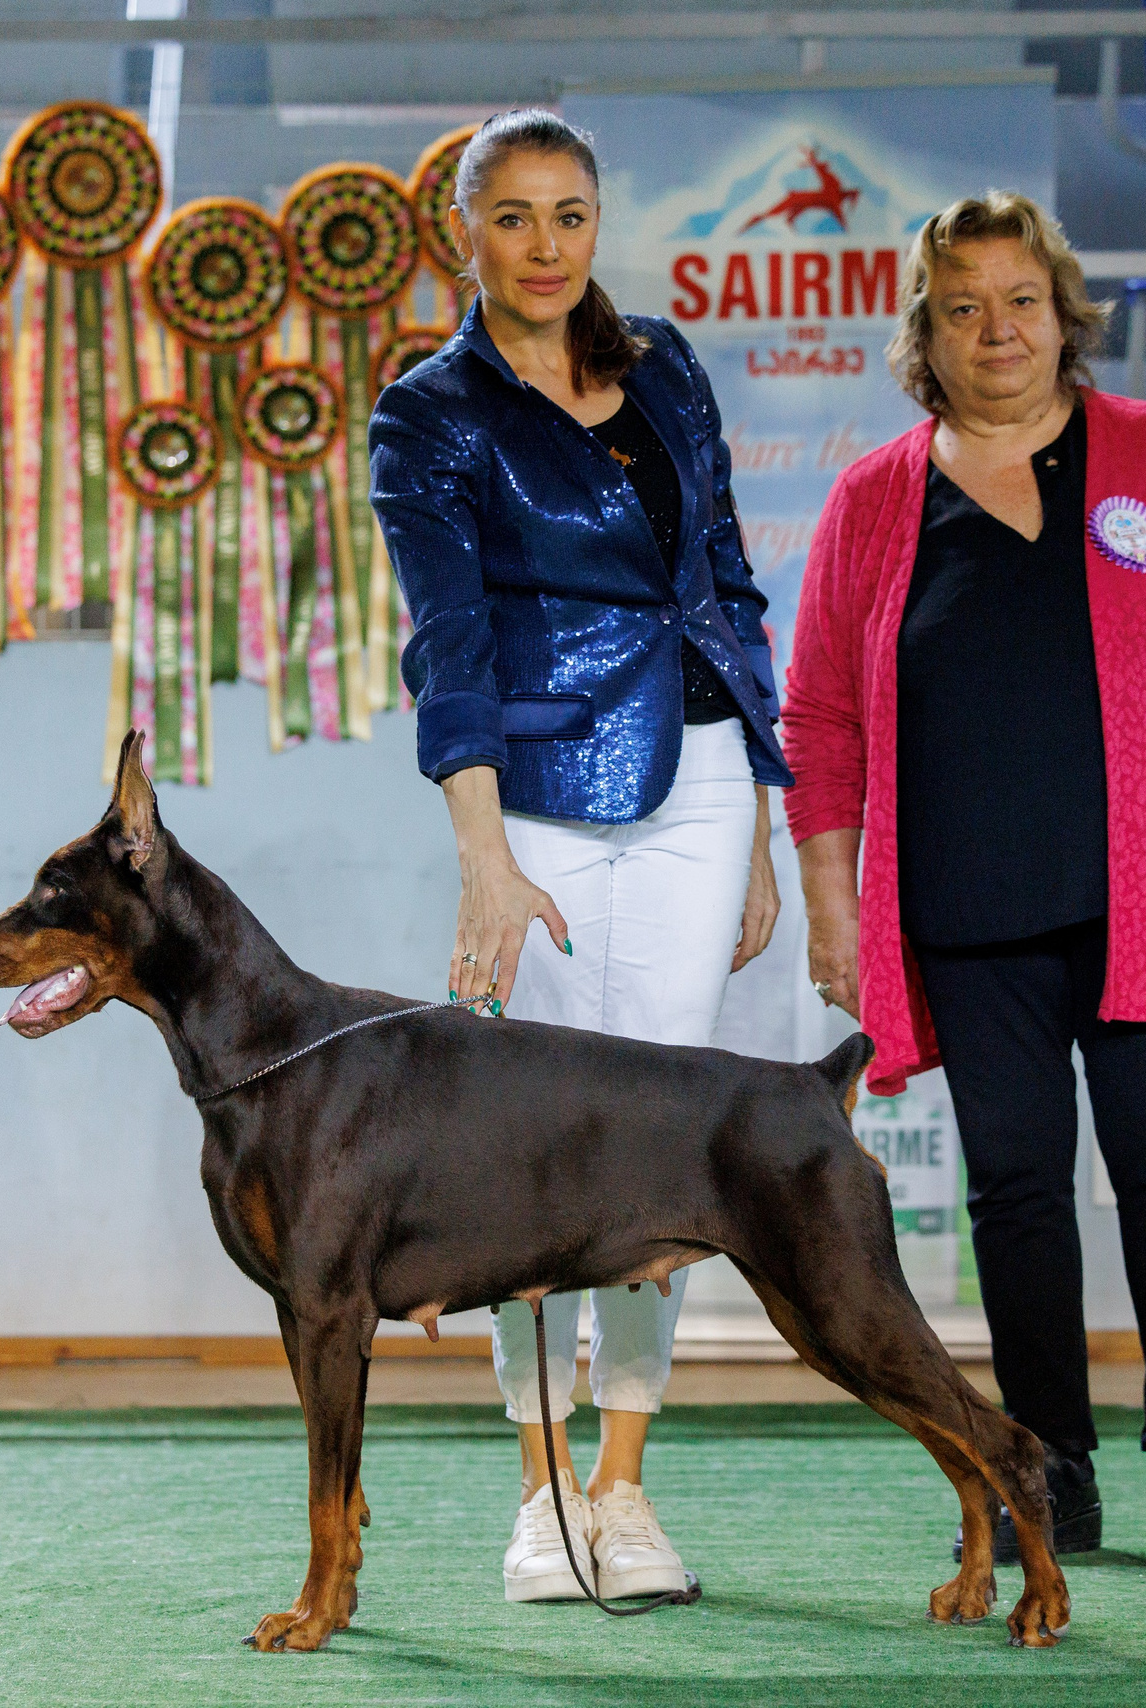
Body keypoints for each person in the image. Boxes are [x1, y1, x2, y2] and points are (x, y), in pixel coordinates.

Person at [780, 191, 1146, 1570]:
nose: (997, 329)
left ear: (1064, 315)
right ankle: (1047, 1463)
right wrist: (834, 904)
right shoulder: (873, 499)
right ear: (926, 334)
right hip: (964, 911)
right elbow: (820, 716)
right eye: (964, 306)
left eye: (1022, 300)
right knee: (1015, 1190)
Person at [368, 109, 789, 1605]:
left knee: (665, 1144)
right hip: (535, 797)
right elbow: (449, 640)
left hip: (705, 781)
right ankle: (540, 1494)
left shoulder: (667, 364)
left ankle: (624, 1487)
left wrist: (765, 828)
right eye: (515, 218)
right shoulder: (427, 413)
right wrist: (483, 856)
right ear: (464, 233)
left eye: (571, 215)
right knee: (535, 1142)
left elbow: (728, 587)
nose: (546, 248)